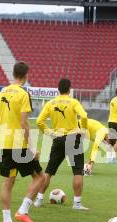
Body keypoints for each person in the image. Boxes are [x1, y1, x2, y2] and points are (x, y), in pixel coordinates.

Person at [0, 62, 45, 222]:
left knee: (8, 182)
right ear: (26, 75)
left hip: (5, 143)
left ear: (13, 74)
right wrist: (31, 146)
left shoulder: (1, 93)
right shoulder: (23, 94)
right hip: (18, 143)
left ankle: (7, 221)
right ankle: (23, 211)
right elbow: (24, 122)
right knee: (40, 177)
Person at [34, 78, 89, 210]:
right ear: (69, 89)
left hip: (57, 138)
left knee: (49, 171)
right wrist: (83, 131)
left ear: (58, 89)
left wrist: (50, 133)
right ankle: (77, 204)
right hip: (73, 137)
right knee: (77, 172)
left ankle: (39, 200)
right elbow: (84, 117)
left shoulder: (51, 103)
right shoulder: (74, 102)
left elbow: (39, 121)